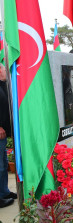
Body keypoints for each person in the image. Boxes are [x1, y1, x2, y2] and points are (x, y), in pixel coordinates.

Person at [0, 64, 17, 208]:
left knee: (4, 164)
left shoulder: (2, 85)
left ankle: (4, 192)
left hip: (4, 133)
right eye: (5, 69)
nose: (6, 72)